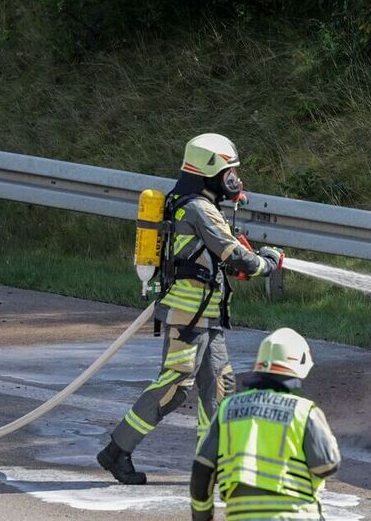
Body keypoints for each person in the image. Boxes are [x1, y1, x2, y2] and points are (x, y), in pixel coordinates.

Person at [98, 133, 284, 485]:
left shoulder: (199, 205)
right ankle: (116, 450)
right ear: (209, 172)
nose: (235, 182)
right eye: (229, 175)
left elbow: (216, 257)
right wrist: (267, 263)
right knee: (175, 387)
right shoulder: (198, 208)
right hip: (188, 318)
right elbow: (234, 253)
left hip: (208, 317)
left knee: (219, 388)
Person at [190, 328, 341, 521]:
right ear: (300, 365)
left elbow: (202, 470)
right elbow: (326, 465)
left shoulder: (227, 410)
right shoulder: (304, 412)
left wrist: (202, 516)